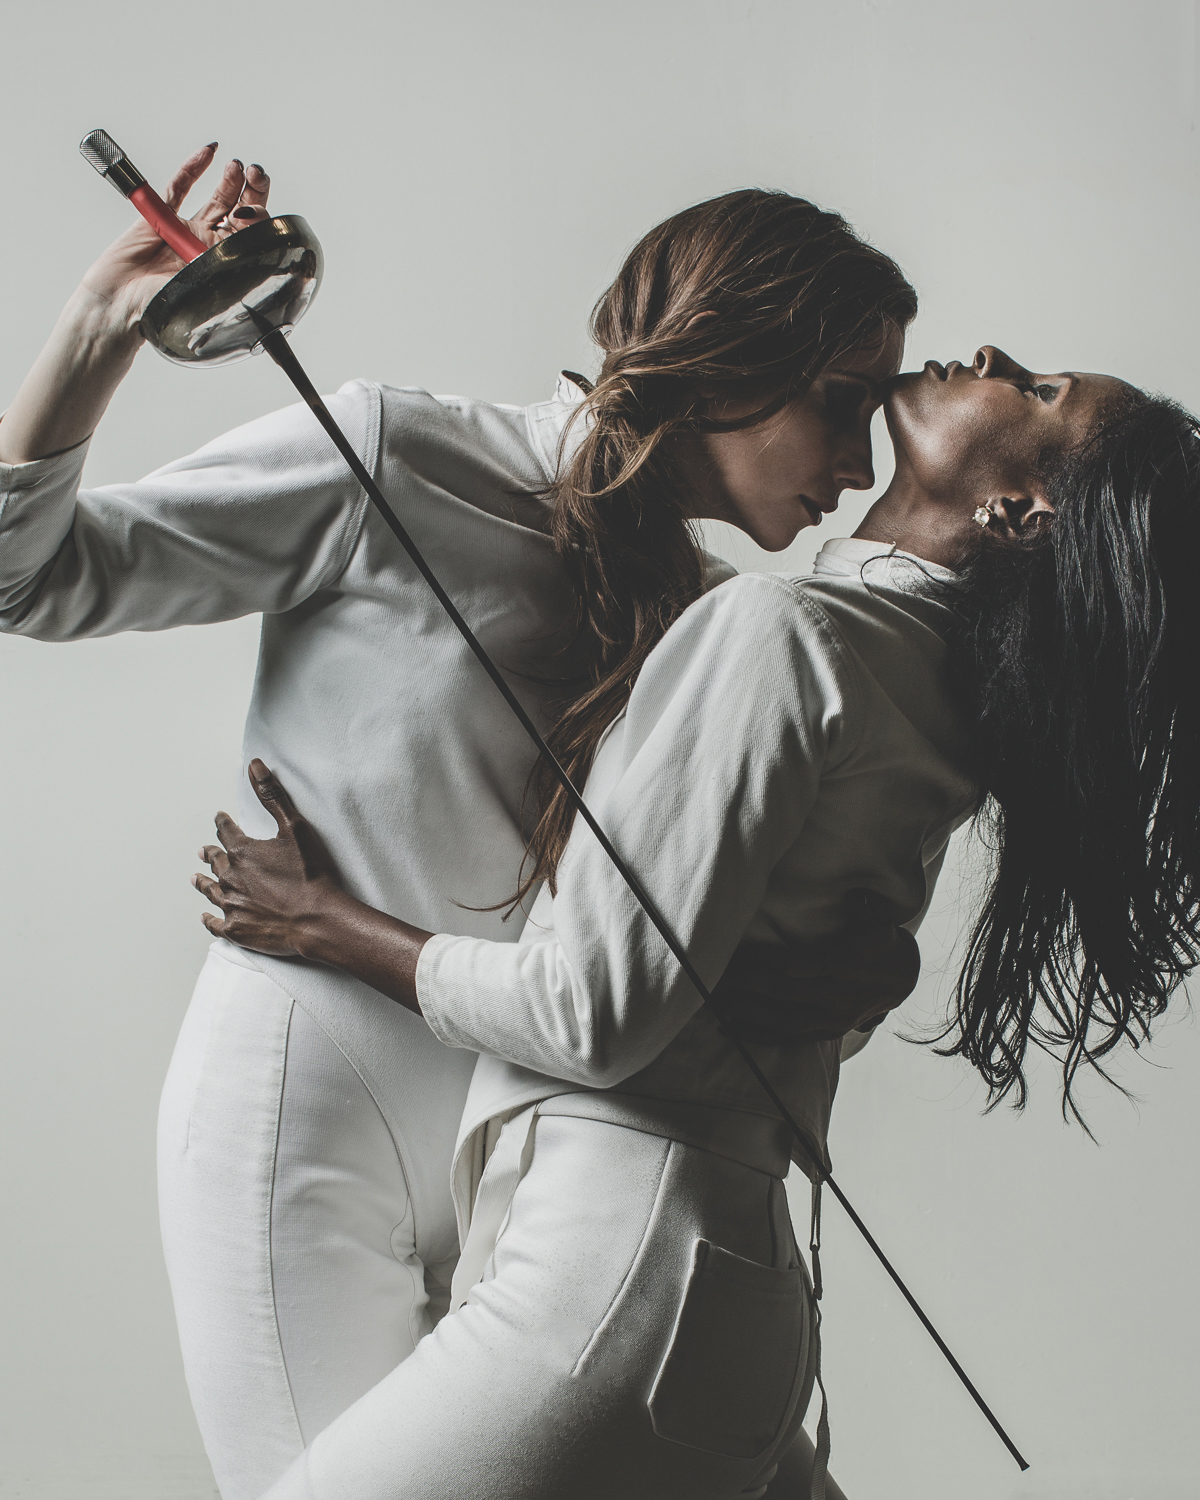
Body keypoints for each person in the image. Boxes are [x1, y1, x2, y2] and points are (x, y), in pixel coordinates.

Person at [0, 146, 921, 1499]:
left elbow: (658, 938)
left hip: (544, 1133)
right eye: (844, 407)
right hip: (317, 1112)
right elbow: (32, 579)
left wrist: (860, 965)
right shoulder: (395, 453)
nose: (858, 461)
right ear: (733, 363)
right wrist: (101, 326)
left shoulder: (725, 627)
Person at [193, 344, 1200, 1500]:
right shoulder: (934, 691)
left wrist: (328, 925)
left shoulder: (784, 631)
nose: (990, 357)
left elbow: (590, 1015)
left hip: (615, 1269)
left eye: (1036, 389)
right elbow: (792, 977)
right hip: (725, 1293)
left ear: (1017, 510)